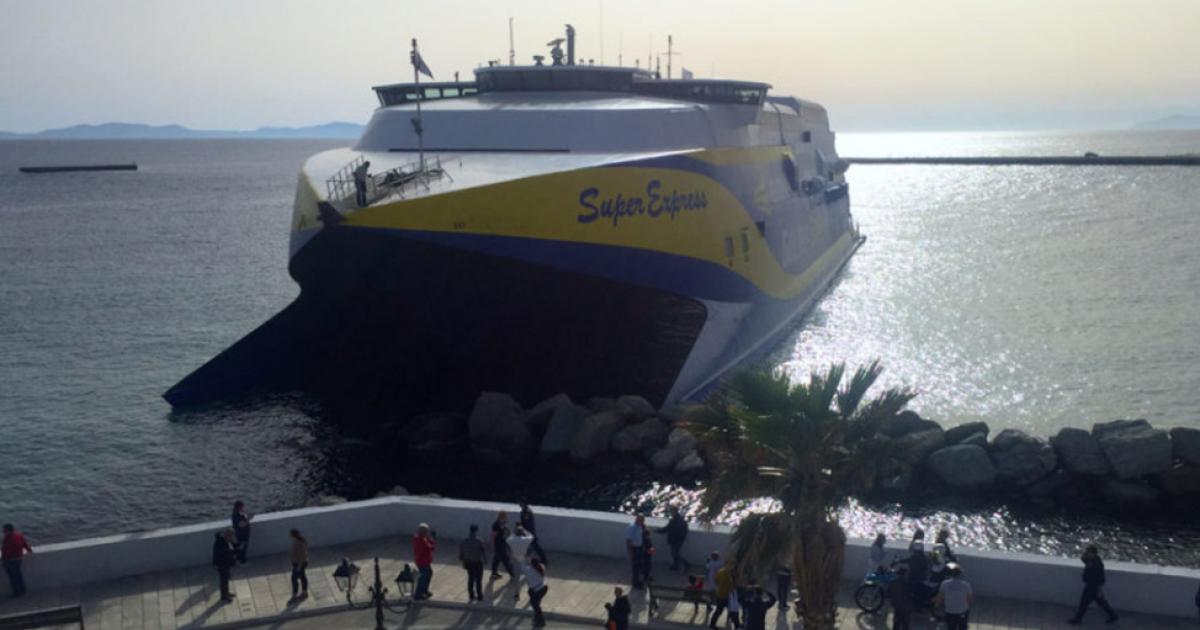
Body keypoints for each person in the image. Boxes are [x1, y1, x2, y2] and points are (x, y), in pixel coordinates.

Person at [1068, 546, 1118, 625]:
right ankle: (1113, 615)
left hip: (1093, 586)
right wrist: (1085, 554)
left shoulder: (1097, 564)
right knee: (1101, 602)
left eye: (1089, 552)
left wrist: (1099, 589)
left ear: (1093, 553)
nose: (1087, 554)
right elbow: (1083, 558)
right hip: (1090, 584)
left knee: (1084, 603)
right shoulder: (1091, 560)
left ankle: (1078, 619)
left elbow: (1101, 577)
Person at [935, 563, 973, 630]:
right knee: (963, 627)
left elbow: (939, 598)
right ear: (961, 574)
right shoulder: (966, 585)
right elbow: (970, 599)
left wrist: (937, 606)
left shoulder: (944, 583)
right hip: (962, 611)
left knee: (951, 627)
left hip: (950, 611)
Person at [1, 524, 33, 598]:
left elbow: (5, 550)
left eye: (4, 530)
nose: (3, 531)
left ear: (8, 530)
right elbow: (25, 544)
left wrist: (3, 559)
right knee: (18, 575)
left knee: (12, 577)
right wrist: (29, 550)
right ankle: (23, 589)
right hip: (18, 558)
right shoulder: (19, 535)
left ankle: (17, 592)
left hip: (9, 560)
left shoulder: (7, 538)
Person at [709, 558, 740, 629]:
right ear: (727, 564)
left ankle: (736, 624)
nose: (732, 566)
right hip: (725, 595)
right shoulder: (726, 573)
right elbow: (729, 585)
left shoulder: (721, 571)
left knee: (722, 610)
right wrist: (732, 590)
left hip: (721, 594)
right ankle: (737, 625)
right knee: (732, 610)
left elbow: (716, 580)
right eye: (731, 565)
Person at [459, 524, 487, 602]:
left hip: (468, 562)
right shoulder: (479, 541)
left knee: (470, 579)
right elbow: (483, 552)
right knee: (478, 580)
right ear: (476, 531)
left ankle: (471, 595)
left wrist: (463, 561)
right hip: (477, 562)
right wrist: (485, 561)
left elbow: (461, 554)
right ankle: (479, 595)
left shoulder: (465, 541)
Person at [656, 507, 689, 571]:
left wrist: (658, 531)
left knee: (674, 553)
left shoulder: (674, 520)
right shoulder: (681, 519)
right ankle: (675, 566)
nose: (671, 513)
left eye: (671, 511)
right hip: (679, 539)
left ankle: (686, 564)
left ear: (674, 512)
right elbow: (685, 530)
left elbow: (667, 529)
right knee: (675, 553)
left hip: (675, 539)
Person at [412, 522, 437, 600]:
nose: (427, 533)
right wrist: (432, 540)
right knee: (423, 577)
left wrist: (428, 539)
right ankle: (419, 593)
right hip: (423, 561)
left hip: (422, 560)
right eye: (426, 531)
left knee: (428, 573)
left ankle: (424, 591)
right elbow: (430, 548)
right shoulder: (421, 540)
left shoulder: (418, 538)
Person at [211, 529, 237, 602]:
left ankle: (226, 593)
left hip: (225, 564)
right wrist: (232, 553)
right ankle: (224, 596)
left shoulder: (225, 541)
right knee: (224, 581)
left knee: (226, 580)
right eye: (231, 536)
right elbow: (225, 553)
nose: (231, 538)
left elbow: (231, 548)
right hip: (222, 564)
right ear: (227, 535)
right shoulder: (220, 543)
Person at [887, 565, 913, 630]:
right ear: (904, 575)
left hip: (897, 606)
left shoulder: (892, 583)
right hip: (906, 607)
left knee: (896, 624)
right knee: (905, 624)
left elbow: (888, 594)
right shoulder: (907, 584)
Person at [523, 558, 548, 627]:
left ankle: (541, 621)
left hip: (537, 590)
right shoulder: (541, 566)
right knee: (536, 603)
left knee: (535, 605)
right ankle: (537, 618)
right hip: (543, 588)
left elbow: (522, 566)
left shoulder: (529, 570)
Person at [625, 515, 647, 590]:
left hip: (639, 548)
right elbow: (628, 541)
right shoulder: (631, 528)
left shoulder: (640, 526)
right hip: (634, 549)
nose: (643, 522)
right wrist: (630, 552)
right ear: (637, 520)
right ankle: (635, 583)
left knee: (640, 565)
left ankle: (638, 580)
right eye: (642, 520)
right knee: (635, 567)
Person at [491, 511, 514, 579]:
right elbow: (493, 535)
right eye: (504, 517)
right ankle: (512, 574)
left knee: (497, 559)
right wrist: (493, 544)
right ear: (500, 517)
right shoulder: (496, 525)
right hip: (499, 544)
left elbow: (505, 530)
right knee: (505, 559)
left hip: (502, 543)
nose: (506, 518)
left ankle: (494, 573)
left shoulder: (503, 523)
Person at [289, 529, 308, 601]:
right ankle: (304, 592)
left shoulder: (298, 543)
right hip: (299, 563)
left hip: (299, 564)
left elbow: (301, 556)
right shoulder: (298, 542)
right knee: (302, 577)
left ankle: (295, 594)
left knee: (294, 578)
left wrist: (299, 566)